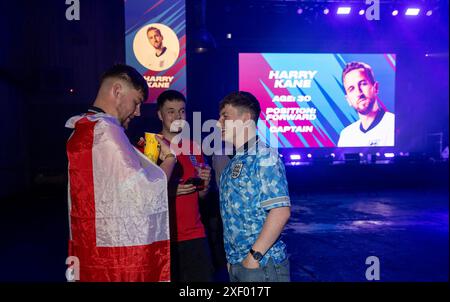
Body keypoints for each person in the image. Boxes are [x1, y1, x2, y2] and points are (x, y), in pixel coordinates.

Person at [65, 64, 177, 282]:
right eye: (136, 103)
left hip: (88, 251)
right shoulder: (107, 132)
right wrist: (170, 159)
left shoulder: (82, 127)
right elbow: (144, 194)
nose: (137, 112)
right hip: (115, 261)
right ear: (117, 91)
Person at [140, 89, 214, 282]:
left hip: (195, 235)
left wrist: (205, 185)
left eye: (182, 111)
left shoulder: (194, 146)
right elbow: (141, 195)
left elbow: (201, 196)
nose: (177, 116)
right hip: (163, 238)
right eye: (171, 111)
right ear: (159, 114)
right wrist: (169, 192)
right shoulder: (149, 146)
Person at [217, 91, 291, 282]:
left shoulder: (265, 157)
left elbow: (280, 211)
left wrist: (254, 257)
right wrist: (232, 261)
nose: (219, 123)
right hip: (239, 265)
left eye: (225, 117)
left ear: (246, 119)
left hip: (261, 266)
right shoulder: (235, 161)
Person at [338, 61, 395, 147]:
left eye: (363, 84)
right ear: (348, 100)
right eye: (351, 88)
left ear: (375, 88)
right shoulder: (346, 136)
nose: (358, 92)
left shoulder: (394, 125)